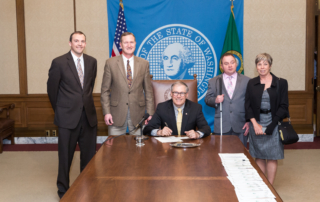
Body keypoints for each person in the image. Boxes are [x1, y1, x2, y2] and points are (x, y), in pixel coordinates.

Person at [47, 31, 97, 198]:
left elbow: (88, 87)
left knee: (89, 157)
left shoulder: (92, 62)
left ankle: (87, 185)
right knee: (65, 157)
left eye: (83, 41)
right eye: (76, 41)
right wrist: (62, 110)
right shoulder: (59, 62)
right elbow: (52, 91)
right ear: (70, 43)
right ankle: (63, 190)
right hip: (67, 118)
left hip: (88, 117)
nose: (80, 44)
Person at [245, 53, 289, 185]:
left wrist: (272, 125)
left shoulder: (281, 82)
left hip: (274, 123)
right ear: (256, 66)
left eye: (265, 64)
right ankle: (262, 184)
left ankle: (270, 186)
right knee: (259, 156)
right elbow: (247, 105)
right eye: (259, 64)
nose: (262, 67)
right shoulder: (251, 83)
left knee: (272, 156)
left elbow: (284, 106)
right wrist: (255, 124)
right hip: (256, 123)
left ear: (270, 66)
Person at [101, 32, 154, 136]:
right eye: (126, 43)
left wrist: (150, 113)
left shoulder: (144, 63)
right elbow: (105, 91)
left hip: (138, 116)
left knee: (138, 150)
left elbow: (148, 91)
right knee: (114, 149)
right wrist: (106, 112)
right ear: (120, 45)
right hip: (116, 115)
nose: (129, 45)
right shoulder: (110, 63)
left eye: (131, 42)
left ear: (135, 43)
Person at [205, 53, 250, 146]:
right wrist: (215, 100)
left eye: (232, 62)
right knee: (222, 156)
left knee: (241, 156)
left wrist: (249, 121)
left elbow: (251, 103)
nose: (230, 65)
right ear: (221, 66)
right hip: (222, 125)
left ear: (236, 64)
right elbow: (207, 99)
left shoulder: (247, 81)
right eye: (226, 63)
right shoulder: (214, 81)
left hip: (241, 125)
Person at [143, 81, 211, 138]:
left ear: (187, 95)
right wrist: (159, 132)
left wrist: (197, 134)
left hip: (188, 147)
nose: (178, 96)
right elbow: (147, 129)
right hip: (168, 147)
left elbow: (206, 128)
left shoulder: (195, 108)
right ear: (171, 94)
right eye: (175, 93)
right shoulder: (162, 107)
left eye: (182, 93)